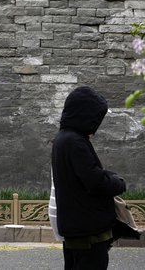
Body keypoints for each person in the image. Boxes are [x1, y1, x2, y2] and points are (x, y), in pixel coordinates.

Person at [51, 86, 126, 270]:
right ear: (85, 115)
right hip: (88, 231)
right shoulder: (76, 141)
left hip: (74, 229)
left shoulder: (62, 139)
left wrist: (105, 175)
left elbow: (87, 173)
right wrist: (118, 183)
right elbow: (95, 182)